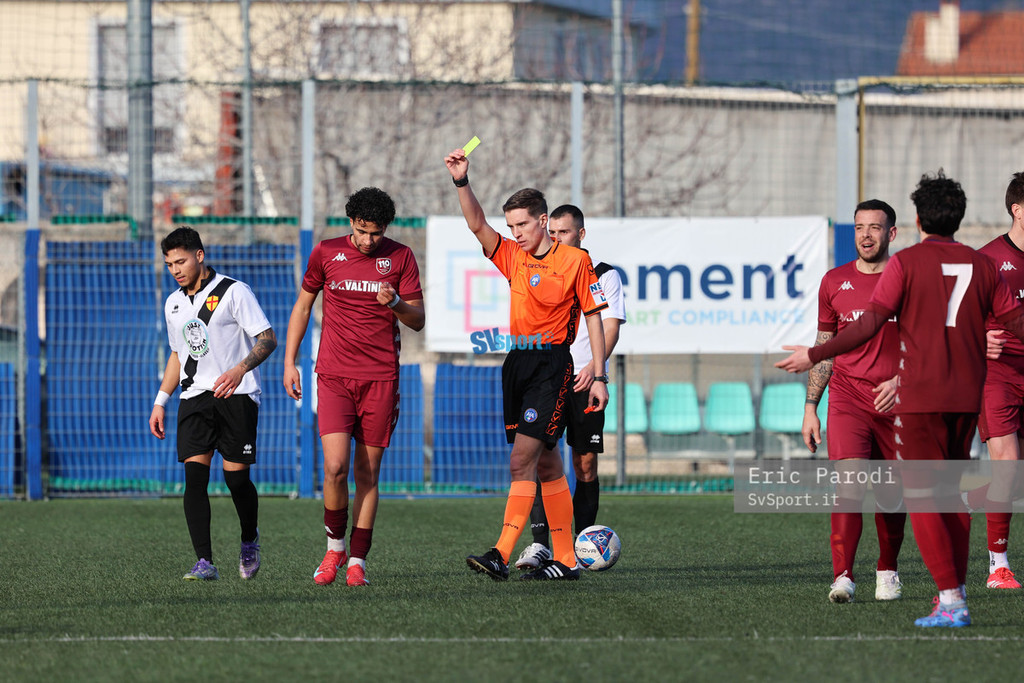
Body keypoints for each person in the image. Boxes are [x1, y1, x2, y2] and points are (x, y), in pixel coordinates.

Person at [777, 170, 1024, 628]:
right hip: (965, 398)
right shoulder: (984, 265)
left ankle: (950, 599)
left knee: (923, 498)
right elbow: (1016, 323)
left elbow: (869, 323)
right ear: (959, 218)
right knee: (949, 497)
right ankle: (950, 592)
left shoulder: (906, 264)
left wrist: (814, 353)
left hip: (919, 397)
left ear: (914, 221)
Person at [444, 147, 609, 581]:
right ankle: (566, 559)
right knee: (548, 464)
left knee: (521, 462)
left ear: (543, 220)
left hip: (552, 365)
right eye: (511, 226)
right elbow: (476, 224)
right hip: (517, 363)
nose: (515, 233)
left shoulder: (575, 260)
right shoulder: (513, 256)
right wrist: (461, 180)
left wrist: (600, 375)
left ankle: (500, 552)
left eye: (522, 224)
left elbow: (594, 316)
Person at [283, 187, 424, 587]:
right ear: (351, 223)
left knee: (367, 473)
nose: (367, 240)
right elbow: (303, 306)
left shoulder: (401, 257)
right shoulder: (326, 252)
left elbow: (417, 321)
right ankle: (334, 549)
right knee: (334, 467)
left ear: (386, 229)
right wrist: (290, 361)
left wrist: (395, 303)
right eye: (362, 231)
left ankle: (358, 560)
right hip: (333, 376)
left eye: (376, 233)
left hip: (381, 379)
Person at [149, 226, 277, 581]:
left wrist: (239, 370)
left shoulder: (234, 291)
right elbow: (178, 355)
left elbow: (267, 339)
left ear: (199, 255)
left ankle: (249, 539)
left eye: (180, 261)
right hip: (194, 397)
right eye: (169, 264)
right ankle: (204, 561)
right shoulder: (173, 303)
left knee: (236, 480)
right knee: (194, 479)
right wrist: (161, 401)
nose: (175, 269)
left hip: (237, 395)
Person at [801, 199, 907, 604]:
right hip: (848, 399)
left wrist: (902, 380)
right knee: (849, 486)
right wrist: (811, 407)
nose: (866, 235)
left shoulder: (909, 280)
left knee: (891, 494)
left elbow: (927, 344)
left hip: (897, 403)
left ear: (891, 233)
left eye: (875, 228)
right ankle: (842, 576)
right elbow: (824, 346)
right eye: (860, 227)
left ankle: (887, 570)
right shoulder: (834, 282)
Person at [515, 204, 626, 571]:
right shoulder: (541, 268)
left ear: (581, 234)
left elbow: (610, 325)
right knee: (538, 459)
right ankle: (539, 545)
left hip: (585, 380)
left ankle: (582, 547)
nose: (557, 238)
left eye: (564, 232)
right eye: (553, 232)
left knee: (585, 463)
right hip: (548, 379)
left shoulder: (604, 274)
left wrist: (596, 370)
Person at [963, 171, 1024, 590]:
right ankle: (998, 566)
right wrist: (977, 338)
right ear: (1017, 210)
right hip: (997, 375)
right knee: (1007, 466)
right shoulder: (987, 261)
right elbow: (952, 318)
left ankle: (970, 500)